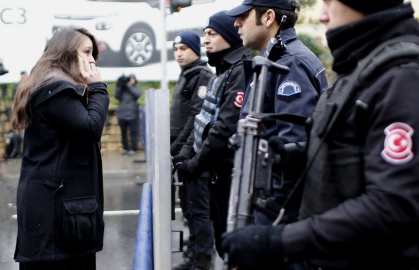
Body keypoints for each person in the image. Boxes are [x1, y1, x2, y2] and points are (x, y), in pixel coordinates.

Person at [221, 1, 419, 269]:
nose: (322, 14)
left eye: (329, 2)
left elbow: (392, 206)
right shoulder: (364, 64)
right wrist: (297, 156)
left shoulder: (401, 75)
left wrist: (279, 241)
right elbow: (354, 151)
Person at [12, 26, 109, 270]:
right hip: (57, 213)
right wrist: (98, 87)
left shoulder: (49, 83)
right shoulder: (58, 89)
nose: (92, 60)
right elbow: (90, 128)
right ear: (66, 52)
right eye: (86, 52)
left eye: (93, 54)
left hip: (54, 208)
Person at [226, 0, 328, 225]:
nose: (236, 23)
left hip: (277, 208)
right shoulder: (275, 58)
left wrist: (275, 218)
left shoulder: (289, 62)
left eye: (244, 15)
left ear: (269, 17)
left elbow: (293, 150)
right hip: (267, 198)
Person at [173, 10, 252, 262]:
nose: (206, 40)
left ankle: (200, 259)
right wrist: (185, 153)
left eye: (212, 34)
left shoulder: (239, 70)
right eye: (205, 34)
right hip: (215, 172)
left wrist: (194, 164)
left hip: (229, 175)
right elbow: (201, 120)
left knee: (232, 248)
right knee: (223, 243)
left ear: (229, 35)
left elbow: (225, 127)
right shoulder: (223, 70)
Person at [170, 30, 214, 270]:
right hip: (182, 155)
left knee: (198, 209)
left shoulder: (201, 76)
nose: (179, 53)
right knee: (188, 208)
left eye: (183, 49)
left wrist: (178, 146)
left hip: (193, 153)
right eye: (176, 50)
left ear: (195, 50)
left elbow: (196, 115)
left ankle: (203, 259)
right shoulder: (186, 75)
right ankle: (193, 254)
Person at [115, 73, 142, 156]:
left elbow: (137, 94)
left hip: (132, 115)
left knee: (133, 132)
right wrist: (120, 86)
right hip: (122, 114)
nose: (131, 80)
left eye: (133, 79)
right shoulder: (122, 89)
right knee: (123, 133)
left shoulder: (136, 88)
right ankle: (125, 148)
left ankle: (133, 148)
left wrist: (129, 86)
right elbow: (117, 96)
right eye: (130, 79)